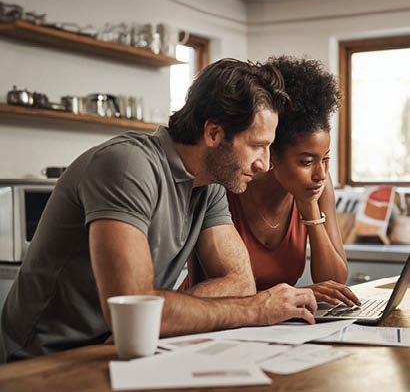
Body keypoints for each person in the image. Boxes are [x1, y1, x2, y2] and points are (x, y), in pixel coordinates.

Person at [0, 58, 317, 362]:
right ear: (213, 133)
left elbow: (239, 283)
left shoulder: (210, 185)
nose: (263, 164)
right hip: (45, 361)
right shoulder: (126, 166)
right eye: (256, 145)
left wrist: (160, 315)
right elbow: (134, 310)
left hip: (123, 350)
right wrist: (253, 310)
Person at [184, 56, 359, 308]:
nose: (321, 174)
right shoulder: (227, 185)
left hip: (273, 323)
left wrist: (309, 207)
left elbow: (335, 282)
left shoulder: (317, 187)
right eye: (307, 162)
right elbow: (209, 286)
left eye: (326, 159)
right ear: (271, 153)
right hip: (210, 317)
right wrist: (298, 293)